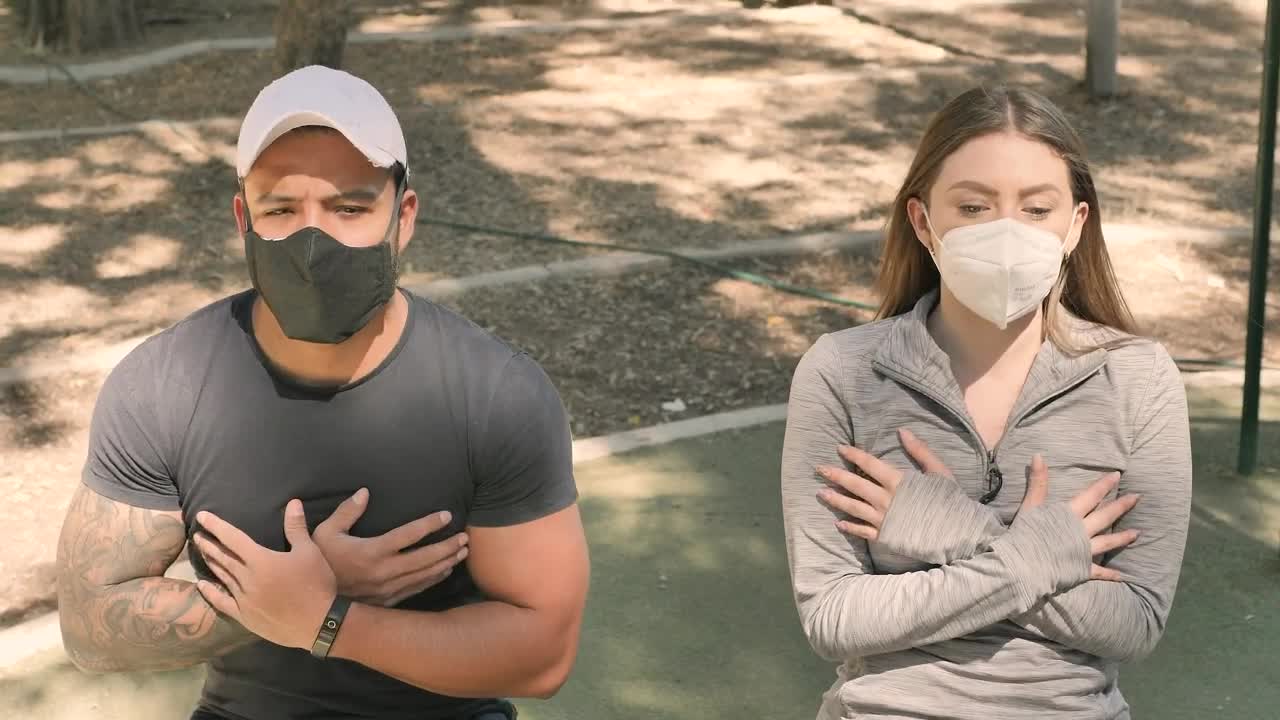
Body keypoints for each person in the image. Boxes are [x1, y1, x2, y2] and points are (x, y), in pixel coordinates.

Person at [55, 65, 590, 720]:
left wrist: (328, 617)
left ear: (403, 217)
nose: (314, 243)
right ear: (243, 218)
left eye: (350, 208)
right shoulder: (165, 386)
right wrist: (280, 602)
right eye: (281, 209)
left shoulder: (497, 394)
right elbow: (89, 628)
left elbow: (542, 655)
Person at [780, 85, 1192, 719]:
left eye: (1036, 209)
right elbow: (833, 617)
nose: (1006, 232)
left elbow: (1133, 622)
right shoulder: (841, 370)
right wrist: (1039, 557)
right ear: (923, 221)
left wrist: (960, 533)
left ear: (1075, 225)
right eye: (973, 206)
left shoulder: (1139, 377)